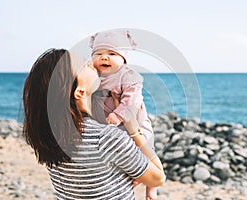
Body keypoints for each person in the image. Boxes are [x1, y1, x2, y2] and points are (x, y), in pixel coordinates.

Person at [22, 48, 165, 200]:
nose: (91, 63)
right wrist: (134, 128)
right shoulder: (105, 138)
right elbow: (158, 178)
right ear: (80, 92)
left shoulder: (49, 135)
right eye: (84, 65)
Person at [90, 29, 157, 199]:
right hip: (111, 127)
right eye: (98, 53)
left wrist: (118, 115)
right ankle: (131, 181)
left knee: (147, 151)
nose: (104, 57)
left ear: (123, 59)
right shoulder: (93, 75)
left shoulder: (128, 76)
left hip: (135, 123)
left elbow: (132, 101)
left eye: (112, 53)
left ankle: (151, 187)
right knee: (122, 160)